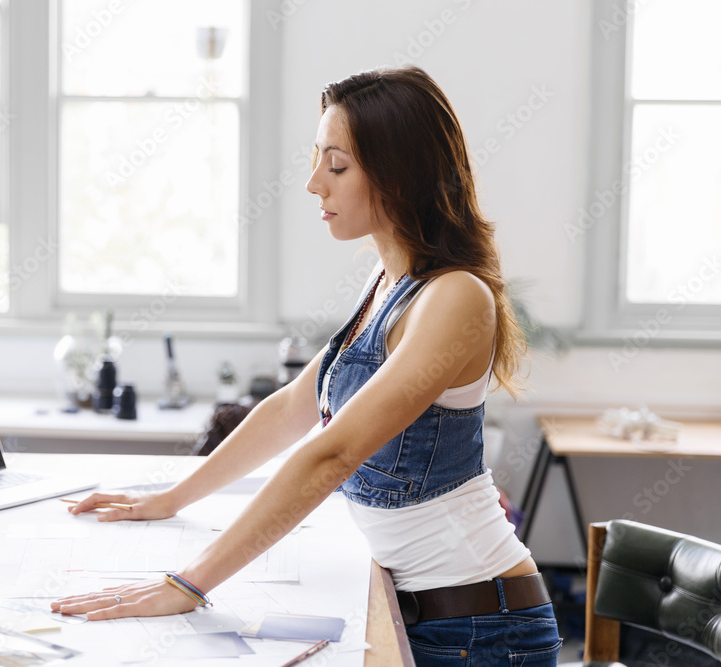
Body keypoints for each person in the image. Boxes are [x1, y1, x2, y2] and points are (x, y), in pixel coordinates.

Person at [52, 66, 561, 665]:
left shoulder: (455, 297)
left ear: (399, 174)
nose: (314, 183)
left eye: (336, 166)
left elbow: (331, 453)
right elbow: (294, 405)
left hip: (482, 629)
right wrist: (172, 497)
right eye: (318, 159)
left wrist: (188, 584)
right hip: (425, 614)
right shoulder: (385, 283)